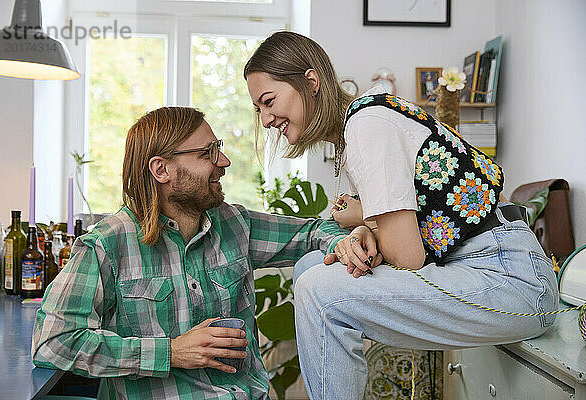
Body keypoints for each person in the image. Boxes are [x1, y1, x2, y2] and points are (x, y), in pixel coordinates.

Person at [244, 31, 559, 400]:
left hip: (512, 279)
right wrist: (366, 229)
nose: (265, 119)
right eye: (258, 109)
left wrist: (366, 222)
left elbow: (408, 257)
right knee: (310, 266)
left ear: (310, 82)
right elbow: (413, 221)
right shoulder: (359, 126)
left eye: (269, 101)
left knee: (320, 290)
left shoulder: (367, 124)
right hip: (471, 267)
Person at [31, 106, 377, 400]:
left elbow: (314, 231)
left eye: (219, 149)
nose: (223, 161)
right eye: (206, 153)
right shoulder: (108, 245)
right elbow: (54, 341)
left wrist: (345, 240)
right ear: (161, 169)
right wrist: (173, 352)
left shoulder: (235, 223)